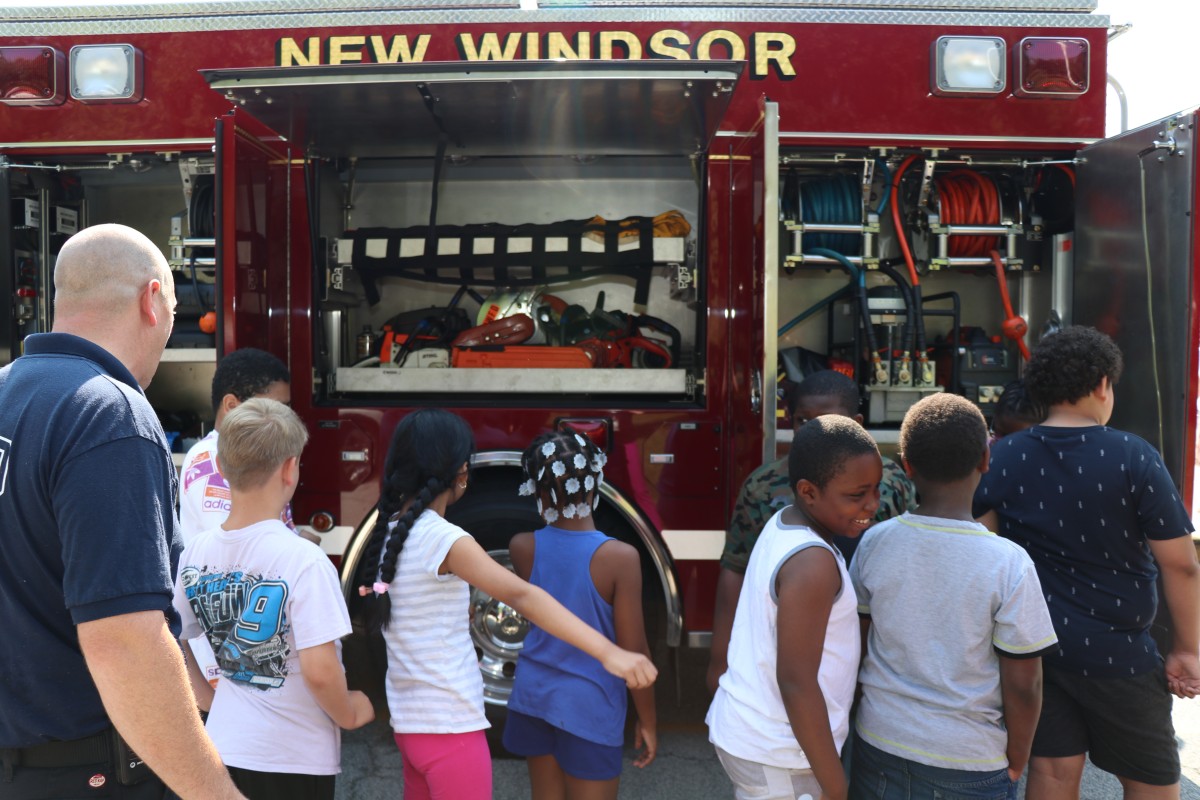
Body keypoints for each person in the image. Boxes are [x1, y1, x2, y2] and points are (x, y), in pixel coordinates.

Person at [0, 223, 244, 799]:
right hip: (85, 773)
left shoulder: (7, 393)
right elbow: (125, 642)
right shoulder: (109, 416)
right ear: (152, 300)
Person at [356, 408, 657, 800]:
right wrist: (609, 652)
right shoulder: (447, 540)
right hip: (454, 727)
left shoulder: (391, 534)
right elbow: (521, 595)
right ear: (461, 471)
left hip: (412, 723)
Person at [974, 325, 1200, 800]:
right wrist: (1187, 649)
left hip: (1036, 652)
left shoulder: (1003, 456)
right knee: (1152, 780)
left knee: (1053, 773)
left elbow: (983, 550)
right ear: (1102, 385)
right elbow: (1180, 565)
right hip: (1121, 657)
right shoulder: (1133, 456)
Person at [849, 393, 1057, 800]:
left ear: (906, 465)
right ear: (985, 458)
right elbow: (1024, 683)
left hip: (878, 743)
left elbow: (853, 646)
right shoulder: (1009, 563)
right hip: (968, 761)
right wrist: (1018, 755)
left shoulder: (875, 543)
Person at [173, 398, 374, 800]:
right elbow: (319, 672)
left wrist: (209, 699)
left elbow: (174, 638)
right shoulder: (305, 560)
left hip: (222, 744)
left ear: (224, 467)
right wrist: (351, 711)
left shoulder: (195, 552)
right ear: (289, 468)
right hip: (292, 756)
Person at [706, 369, 917, 694]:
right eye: (804, 421)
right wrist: (719, 660)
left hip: (873, 639)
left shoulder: (889, 480)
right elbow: (736, 567)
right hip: (792, 638)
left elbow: (907, 562)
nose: (816, 430)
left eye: (829, 420)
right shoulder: (763, 485)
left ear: (857, 422)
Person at [707, 415, 882, 800]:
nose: (873, 504)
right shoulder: (812, 564)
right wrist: (835, 786)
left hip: (760, 738)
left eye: (876, 489)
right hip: (782, 752)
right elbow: (797, 681)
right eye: (857, 495)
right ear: (808, 491)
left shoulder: (786, 521)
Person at [503, 430, 658, 799]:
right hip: (590, 706)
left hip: (534, 697)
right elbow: (633, 648)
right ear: (595, 486)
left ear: (538, 495)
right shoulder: (620, 558)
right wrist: (649, 720)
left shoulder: (523, 547)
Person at [179, 347, 318, 545]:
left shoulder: (254, 453)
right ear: (231, 406)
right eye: (275, 407)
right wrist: (303, 547)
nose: (285, 416)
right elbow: (236, 544)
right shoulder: (207, 458)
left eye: (286, 407)